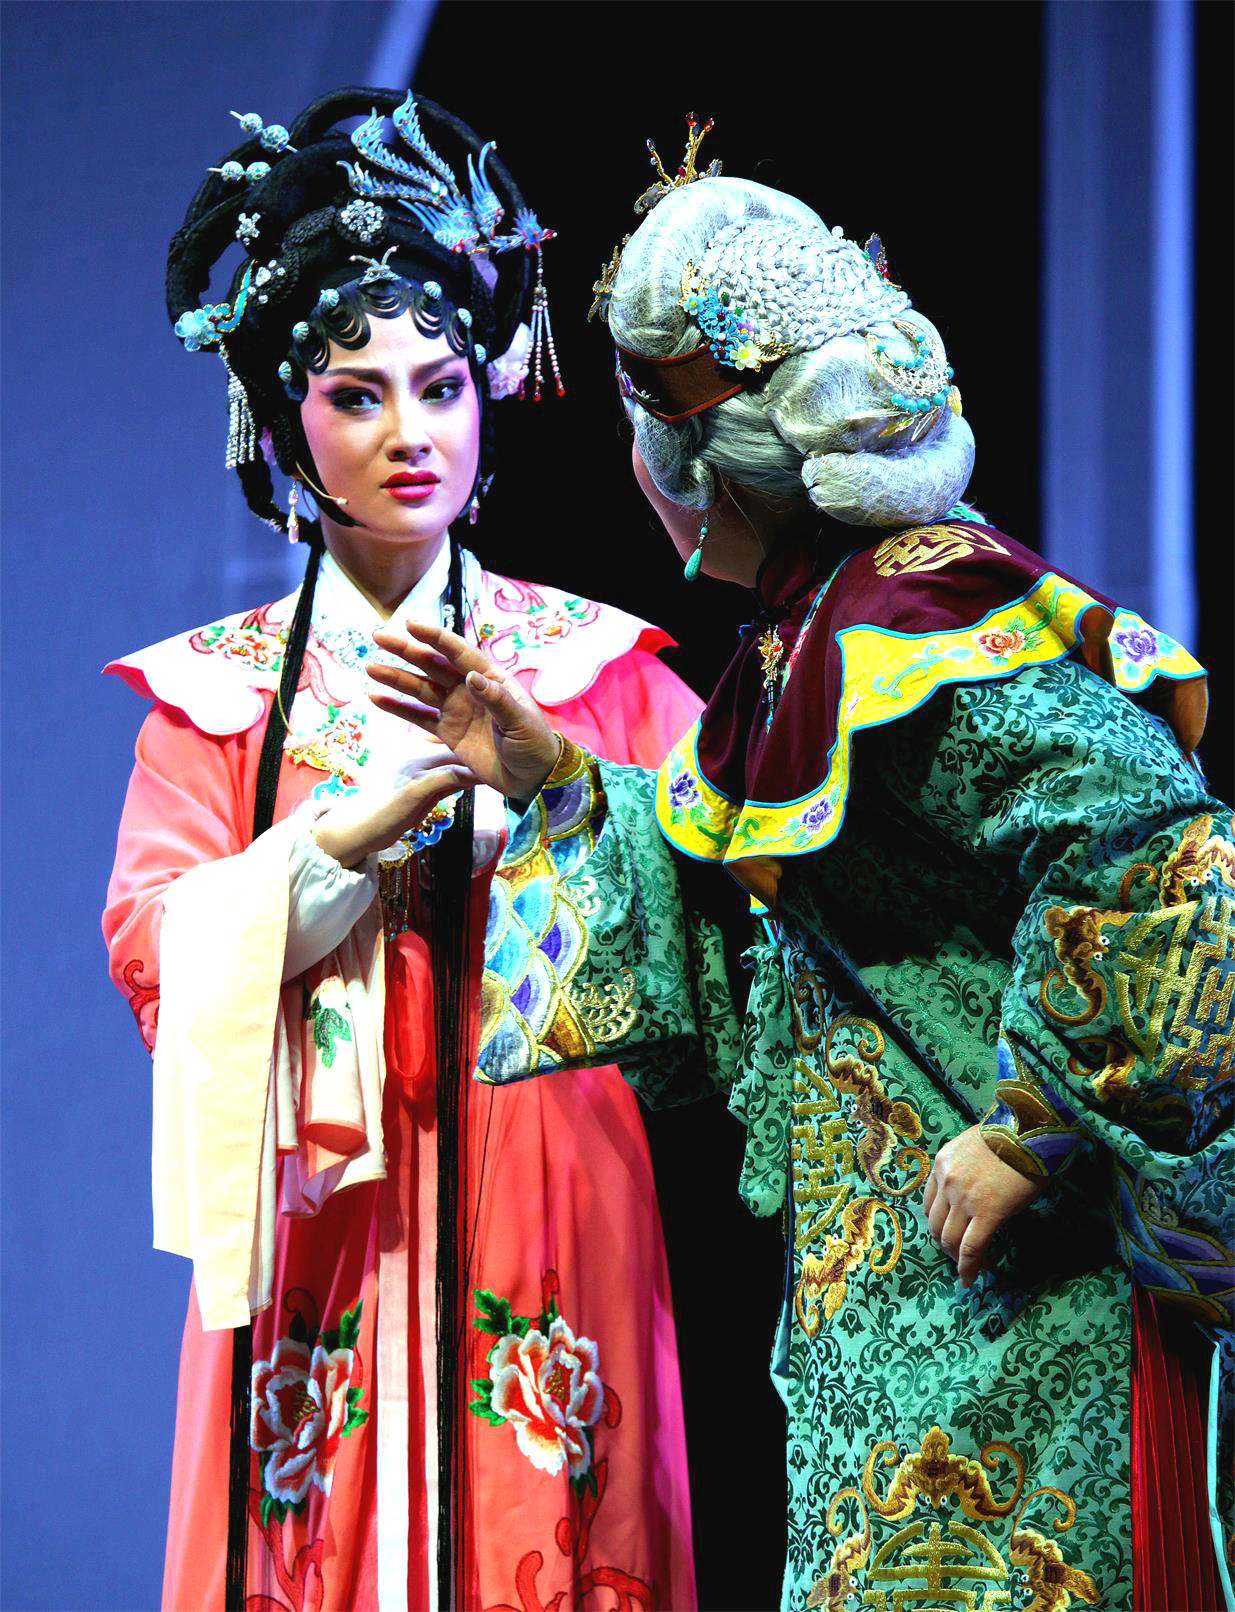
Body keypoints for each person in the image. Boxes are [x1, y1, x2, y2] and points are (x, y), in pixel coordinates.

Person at [371, 140, 1234, 1612]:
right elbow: (764, 914)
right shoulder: (819, 634)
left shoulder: (916, 625)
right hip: (905, 1296)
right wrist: (560, 782)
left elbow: (1172, 861)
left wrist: (1036, 1123)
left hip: (1019, 1306)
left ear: (689, 463)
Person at [102, 90, 706, 1612]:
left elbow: (730, 903)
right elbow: (154, 950)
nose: (408, 434)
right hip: (322, 1212)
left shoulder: (596, 673)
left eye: (439, 388)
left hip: (554, 1181)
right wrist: (327, 851)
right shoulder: (223, 696)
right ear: (282, 419)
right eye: (355, 396)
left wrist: (558, 791)